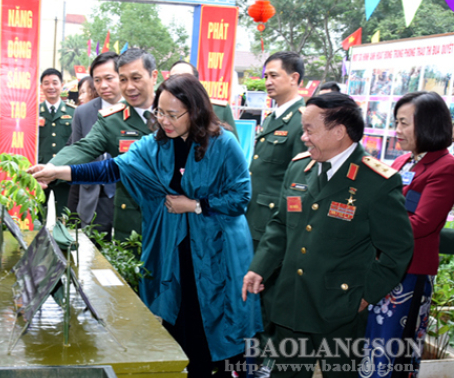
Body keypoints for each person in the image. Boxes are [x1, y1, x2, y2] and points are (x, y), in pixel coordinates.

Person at [31, 74, 262, 377]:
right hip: (174, 251)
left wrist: (194, 205)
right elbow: (111, 168)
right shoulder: (154, 146)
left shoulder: (223, 144)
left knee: (216, 322)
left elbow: (240, 196)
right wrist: (58, 171)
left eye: (172, 114)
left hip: (217, 252)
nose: (164, 120)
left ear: (195, 111)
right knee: (179, 322)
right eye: (159, 112)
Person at [242, 92, 414, 378]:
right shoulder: (299, 168)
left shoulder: (376, 181)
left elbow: (398, 249)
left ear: (338, 132)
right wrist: (259, 268)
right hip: (292, 302)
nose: (304, 137)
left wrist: (366, 295)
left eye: (309, 130)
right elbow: (280, 225)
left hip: (340, 307)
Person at [360, 92, 454, 378]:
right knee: (370, 352)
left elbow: (422, 222)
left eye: (403, 123)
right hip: (381, 269)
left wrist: (370, 226)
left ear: (427, 125)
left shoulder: (445, 167)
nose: (397, 130)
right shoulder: (402, 161)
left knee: (393, 356)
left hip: (408, 275)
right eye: (396, 122)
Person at [32, 48, 158, 243]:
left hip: (173, 217)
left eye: (136, 78)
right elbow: (83, 147)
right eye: (124, 79)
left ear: (153, 76)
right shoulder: (112, 119)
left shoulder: (173, 111)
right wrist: (53, 167)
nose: (129, 87)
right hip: (129, 218)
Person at [246, 51, 308, 251]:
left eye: (274, 75)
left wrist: (288, 226)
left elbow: (300, 184)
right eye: (265, 77)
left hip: (273, 221)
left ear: (294, 78)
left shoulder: (302, 121)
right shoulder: (272, 118)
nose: (268, 82)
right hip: (254, 216)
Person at [65, 52, 121, 241]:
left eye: (109, 78)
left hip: (127, 198)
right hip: (93, 198)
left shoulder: (137, 107)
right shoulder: (83, 112)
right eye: (97, 80)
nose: (103, 85)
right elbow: (77, 156)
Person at [38, 68, 76, 216]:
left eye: (55, 82)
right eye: (46, 83)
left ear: (62, 85)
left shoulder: (73, 112)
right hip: (40, 174)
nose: (51, 87)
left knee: (66, 218)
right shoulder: (33, 112)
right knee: (37, 218)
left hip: (64, 174)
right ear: (41, 87)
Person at [169, 60, 238, 137]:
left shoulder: (219, 109)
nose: (179, 82)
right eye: (174, 78)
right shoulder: (159, 112)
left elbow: (232, 146)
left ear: (196, 83)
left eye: (185, 78)